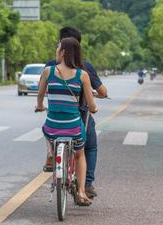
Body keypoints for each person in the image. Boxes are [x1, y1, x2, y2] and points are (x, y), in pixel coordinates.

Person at [45, 26, 107, 200]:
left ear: (61, 46)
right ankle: (85, 186)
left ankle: (50, 154)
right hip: (79, 117)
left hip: (56, 117)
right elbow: (102, 91)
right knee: (90, 146)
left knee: (49, 129)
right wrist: (98, 96)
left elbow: (45, 92)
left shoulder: (50, 66)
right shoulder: (85, 68)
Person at [36, 37, 97, 206]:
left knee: (46, 130)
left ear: (63, 52)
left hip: (53, 125)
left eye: (58, 48)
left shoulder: (48, 71)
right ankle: (82, 191)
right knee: (80, 154)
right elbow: (91, 104)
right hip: (73, 128)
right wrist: (94, 109)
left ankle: (50, 153)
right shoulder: (82, 75)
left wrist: (39, 106)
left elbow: (40, 94)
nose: (56, 51)